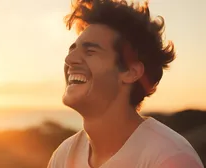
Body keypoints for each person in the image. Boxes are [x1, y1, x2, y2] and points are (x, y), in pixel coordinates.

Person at [47, 0, 204, 168]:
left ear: (131, 72)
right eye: (72, 51)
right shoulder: (63, 156)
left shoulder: (169, 158)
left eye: (90, 52)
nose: (69, 60)